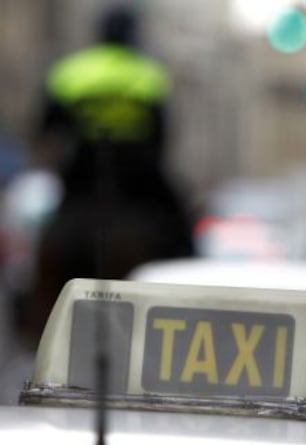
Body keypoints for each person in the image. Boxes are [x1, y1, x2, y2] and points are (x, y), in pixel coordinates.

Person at [22, 4, 194, 342]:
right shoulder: (148, 74)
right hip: (137, 177)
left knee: (47, 235)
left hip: (81, 174)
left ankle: (32, 305)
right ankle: (188, 296)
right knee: (180, 224)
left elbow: (47, 127)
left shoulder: (70, 71)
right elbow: (161, 135)